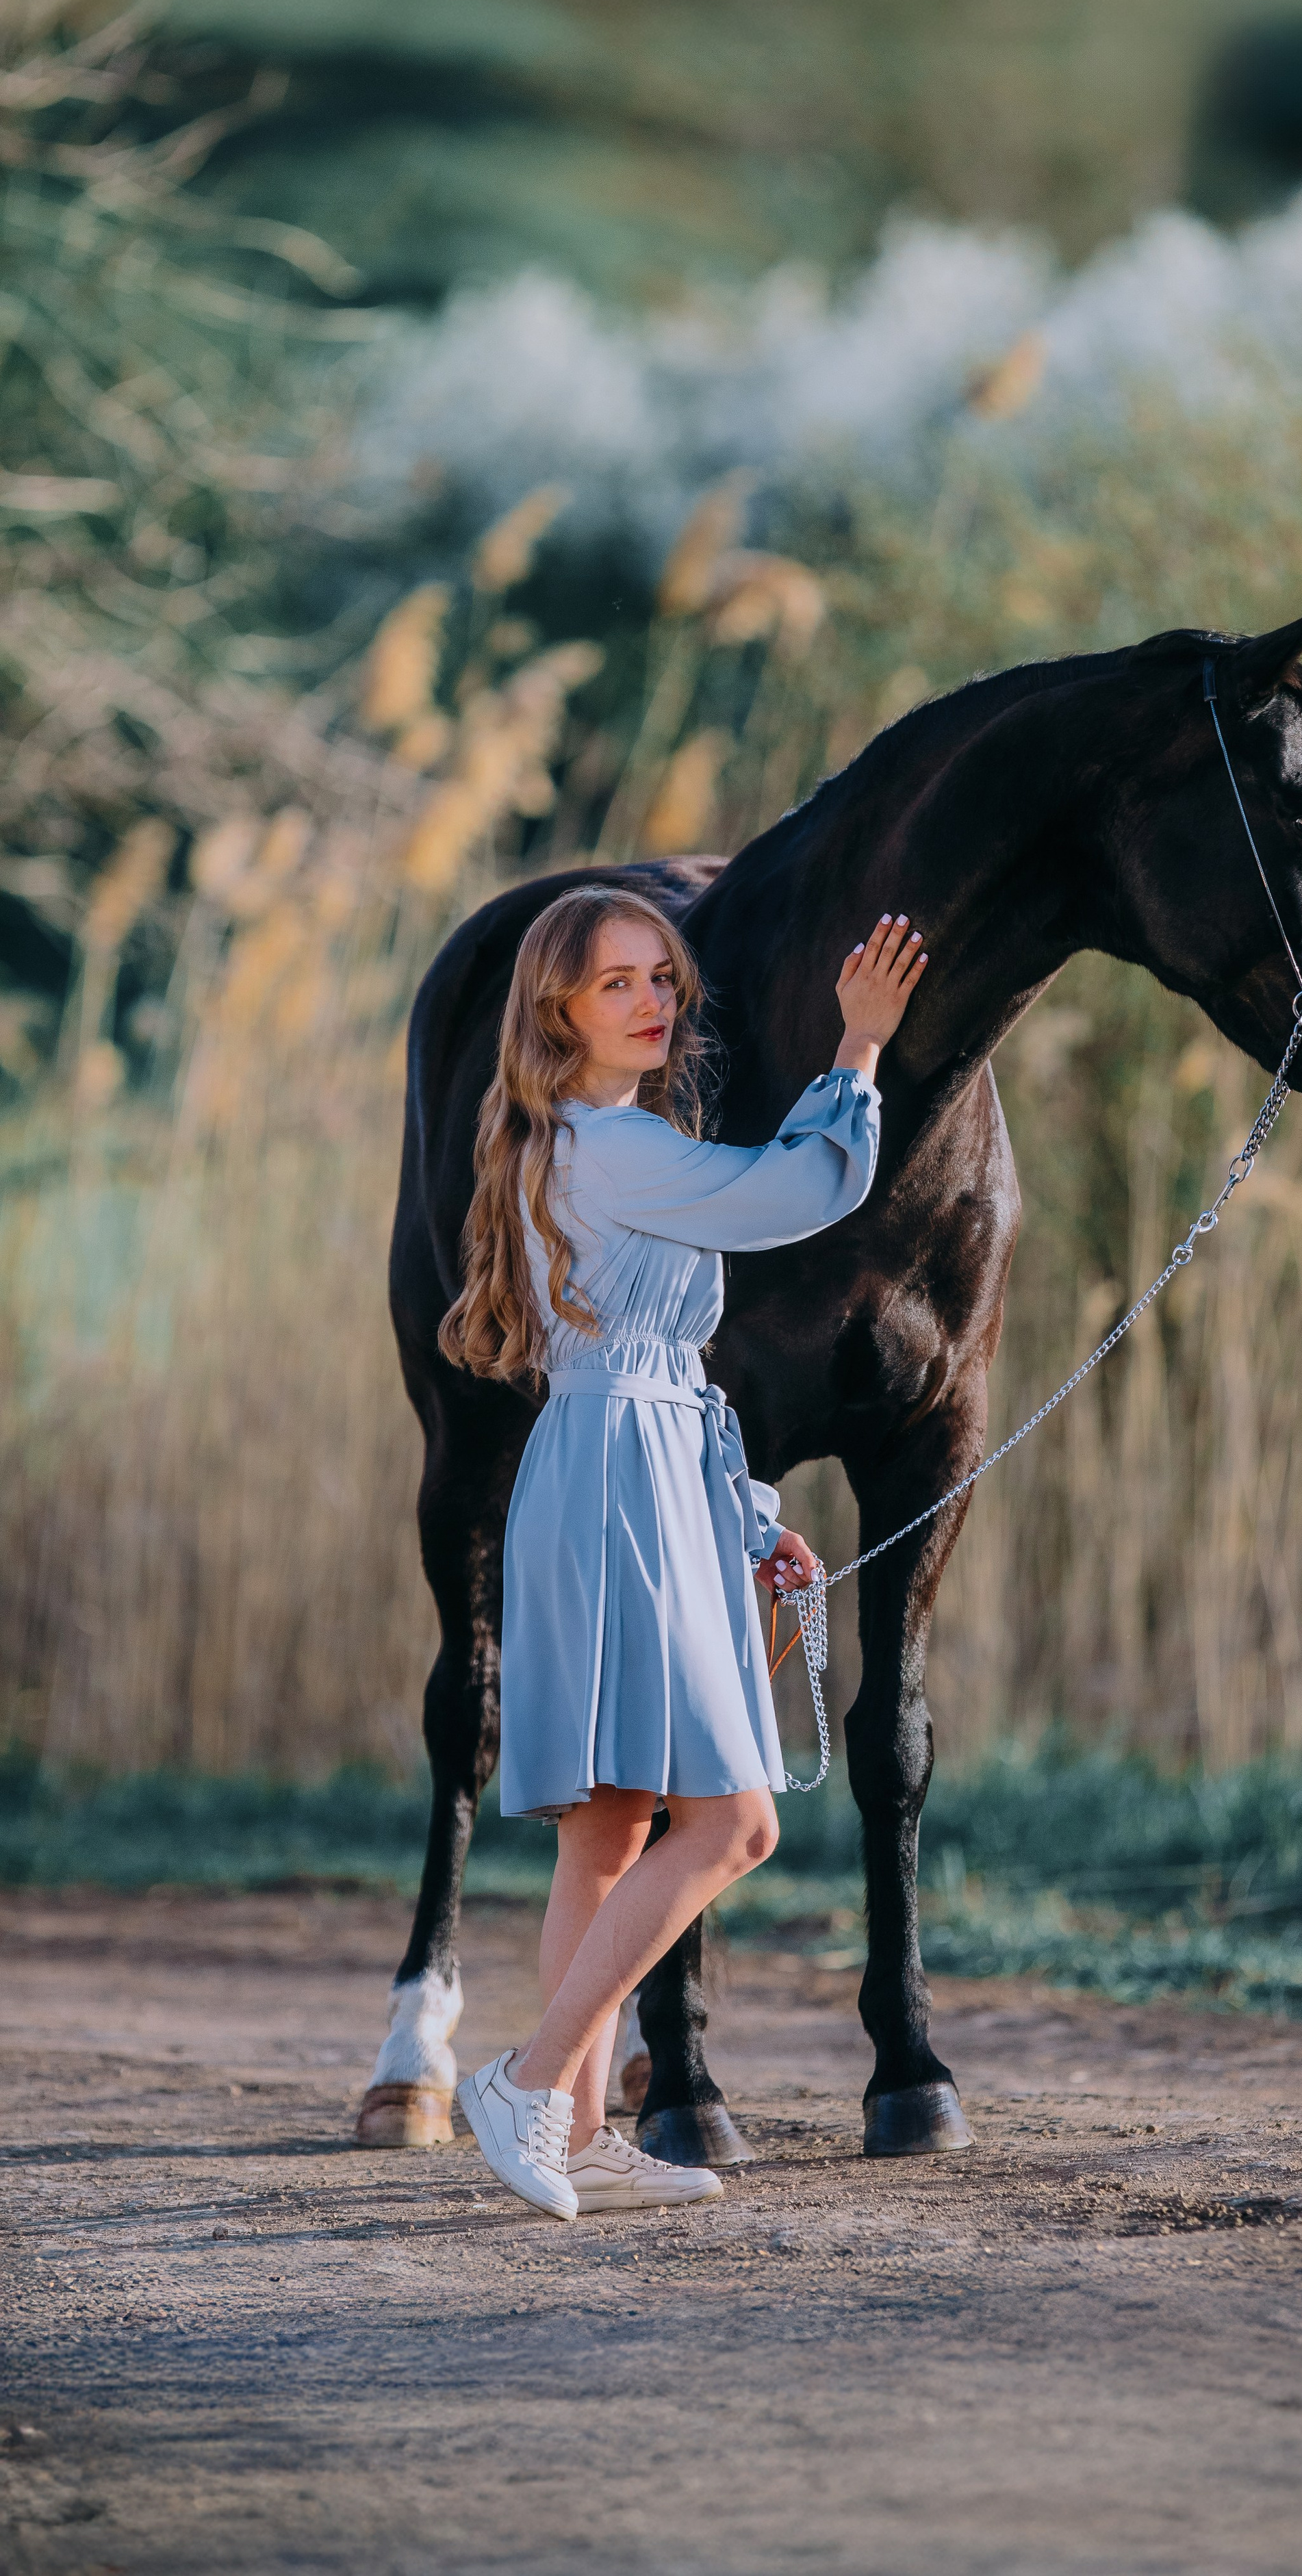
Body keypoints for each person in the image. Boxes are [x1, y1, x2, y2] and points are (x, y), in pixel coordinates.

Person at [437, 883, 926, 2219]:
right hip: (615, 1488)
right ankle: (533, 2083)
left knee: (606, 1834)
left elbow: (660, 1373)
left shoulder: (591, 1143)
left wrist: (750, 1520)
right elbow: (794, 1189)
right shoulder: (605, 1148)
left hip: (627, 1473)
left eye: (662, 978)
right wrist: (859, 1048)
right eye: (618, 983)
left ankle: (585, 2130)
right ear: (559, 1012)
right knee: (735, 1820)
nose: (655, 1001)